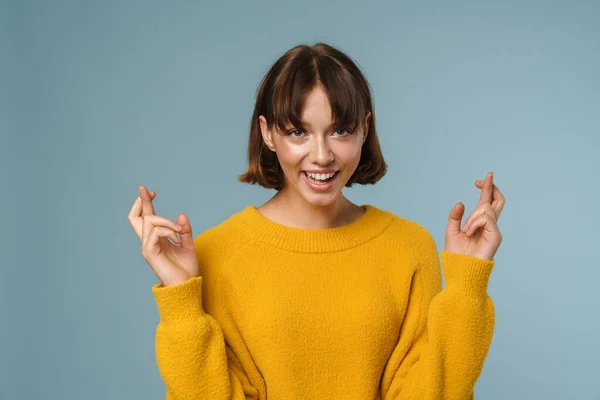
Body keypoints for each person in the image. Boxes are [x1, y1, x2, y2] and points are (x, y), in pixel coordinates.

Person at [127, 42, 505, 400]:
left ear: (364, 130)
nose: (321, 155)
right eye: (298, 132)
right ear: (268, 133)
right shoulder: (214, 253)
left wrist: (467, 284)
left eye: (340, 130)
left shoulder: (408, 247)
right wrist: (181, 299)